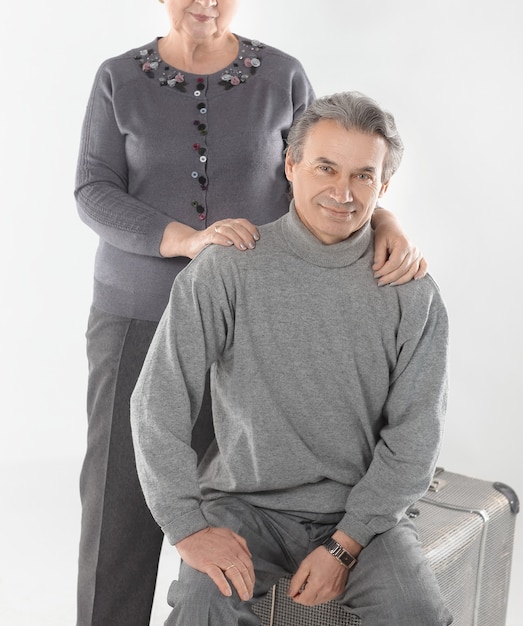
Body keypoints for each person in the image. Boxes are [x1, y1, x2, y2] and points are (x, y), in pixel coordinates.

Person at [74, 1, 428, 624]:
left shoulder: (283, 75)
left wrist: (389, 221)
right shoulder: (117, 78)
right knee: (121, 497)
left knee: (241, 479)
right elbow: (93, 189)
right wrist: (186, 239)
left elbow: (329, 165)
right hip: (138, 310)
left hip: (257, 315)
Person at [130, 90, 452, 626]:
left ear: (384, 186)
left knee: (416, 612)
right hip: (244, 508)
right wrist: (187, 528)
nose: (342, 192)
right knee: (199, 609)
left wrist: (346, 545)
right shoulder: (227, 271)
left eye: (362, 176)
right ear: (291, 165)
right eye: (325, 167)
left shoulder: (411, 292)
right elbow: (157, 401)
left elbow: (416, 436)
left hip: (364, 517)